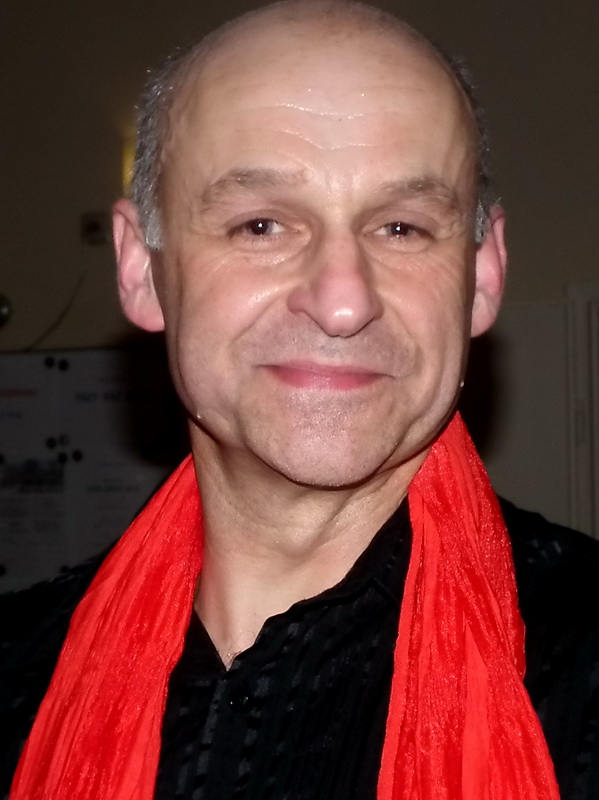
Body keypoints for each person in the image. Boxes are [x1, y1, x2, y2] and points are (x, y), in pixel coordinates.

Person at [4, 1, 599, 798]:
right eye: (260, 225)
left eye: (401, 228)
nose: (342, 302)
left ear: (483, 274)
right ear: (141, 270)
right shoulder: (18, 674)